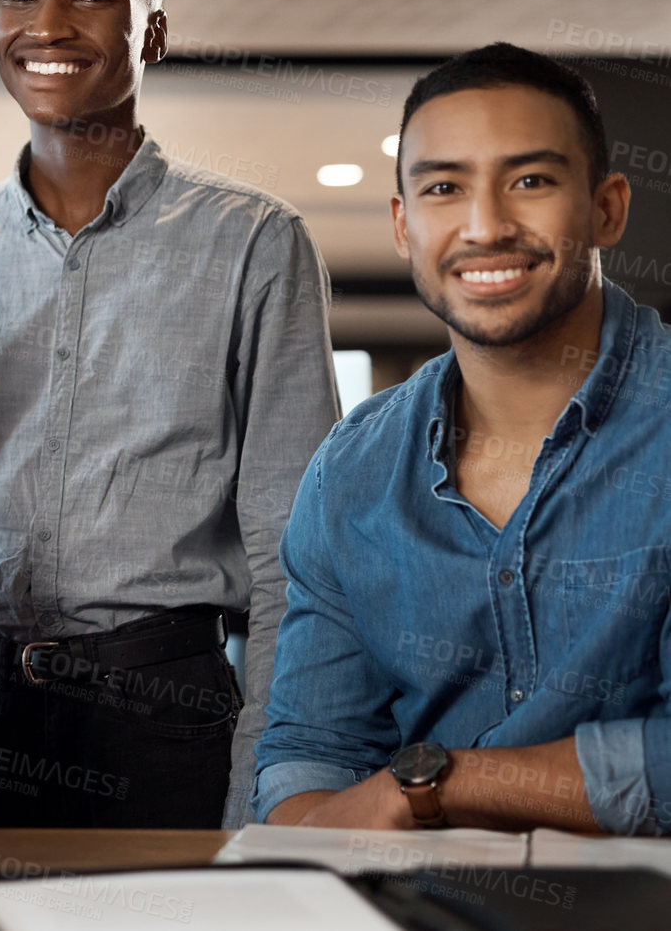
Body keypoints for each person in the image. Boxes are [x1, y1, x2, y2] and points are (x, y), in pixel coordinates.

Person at [0, 0, 339, 829]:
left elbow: (295, 552)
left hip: (161, 713)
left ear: (150, 32)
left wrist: (267, 774)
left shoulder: (253, 243)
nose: (45, 24)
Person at [255, 43, 665, 834]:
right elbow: (311, 748)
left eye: (530, 181)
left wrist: (435, 784)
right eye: (444, 187)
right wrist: (304, 855)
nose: (485, 225)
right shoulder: (352, 468)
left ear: (606, 208)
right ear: (404, 224)